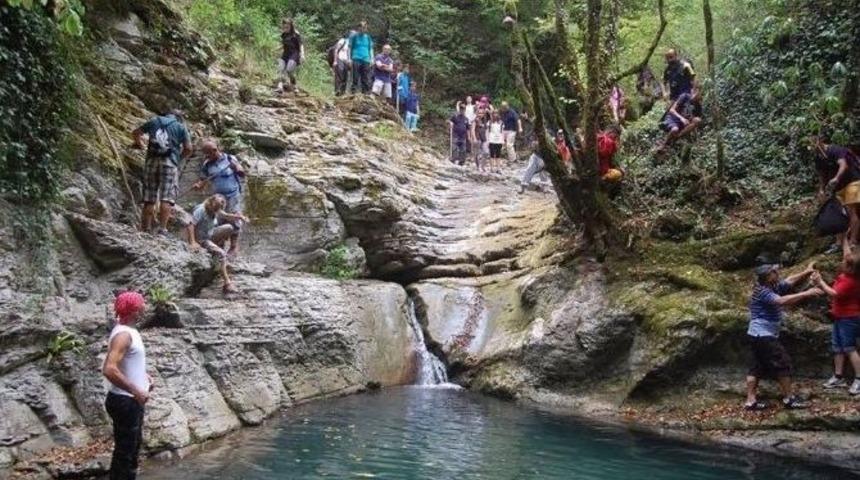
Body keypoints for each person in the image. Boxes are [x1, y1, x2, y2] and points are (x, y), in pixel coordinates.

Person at [744, 261, 821, 411]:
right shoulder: (762, 291)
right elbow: (781, 300)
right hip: (764, 336)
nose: (777, 273)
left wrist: (806, 272)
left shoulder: (771, 286)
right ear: (768, 277)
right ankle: (789, 399)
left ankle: (750, 401)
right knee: (782, 364)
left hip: (756, 334)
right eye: (774, 272)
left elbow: (789, 281)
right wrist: (807, 293)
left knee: (756, 367)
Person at [102, 291, 151, 480]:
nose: (145, 308)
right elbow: (109, 369)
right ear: (133, 310)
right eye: (141, 305)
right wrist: (136, 390)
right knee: (126, 454)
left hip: (131, 400)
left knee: (131, 449)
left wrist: (144, 377)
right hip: (125, 401)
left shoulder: (131, 331)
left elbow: (127, 363)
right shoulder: (123, 335)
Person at [132, 110, 193, 235]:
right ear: (179, 118)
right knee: (166, 197)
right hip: (169, 163)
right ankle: (162, 229)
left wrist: (140, 144)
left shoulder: (154, 121)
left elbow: (136, 133)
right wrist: (178, 159)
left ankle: (146, 228)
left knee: (149, 197)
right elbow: (188, 148)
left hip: (151, 161)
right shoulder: (180, 127)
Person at [813, 249, 860, 395]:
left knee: (849, 348)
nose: (842, 262)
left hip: (849, 318)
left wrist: (820, 282)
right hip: (839, 317)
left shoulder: (851, 281)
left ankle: (859, 378)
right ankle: (838, 376)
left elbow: (835, 293)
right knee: (837, 347)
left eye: (845, 262)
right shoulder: (844, 276)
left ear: (852, 268)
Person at [193, 140, 247, 257]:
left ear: (215, 150)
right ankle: (220, 246)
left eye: (208, 153)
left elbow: (242, 173)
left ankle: (233, 247)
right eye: (205, 154)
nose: (207, 156)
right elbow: (203, 179)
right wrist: (198, 185)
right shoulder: (207, 164)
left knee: (234, 220)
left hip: (233, 195)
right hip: (217, 197)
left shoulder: (230, 159)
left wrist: (236, 167)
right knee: (218, 220)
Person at [186, 195, 249, 294]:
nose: (216, 211)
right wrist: (192, 242)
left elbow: (226, 215)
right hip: (202, 239)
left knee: (229, 228)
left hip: (210, 233)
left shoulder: (216, 209)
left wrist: (240, 217)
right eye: (215, 209)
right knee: (221, 253)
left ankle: (217, 249)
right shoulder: (201, 210)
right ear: (211, 203)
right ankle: (227, 284)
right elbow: (190, 225)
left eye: (218, 209)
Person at [812, 137, 860, 250]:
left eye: (814, 145)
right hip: (838, 187)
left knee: (851, 210)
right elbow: (822, 175)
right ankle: (840, 243)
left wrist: (836, 178)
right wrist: (821, 189)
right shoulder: (818, 158)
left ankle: (853, 241)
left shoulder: (835, 150)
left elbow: (843, 165)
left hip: (852, 181)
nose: (813, 148)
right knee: (838, 214)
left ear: (820, 142)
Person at [277, 18, 304, 93]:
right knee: (280, 68)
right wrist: (276, 49)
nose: (285, 29)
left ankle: (294, 85)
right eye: (284, 27)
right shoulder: (283, 35)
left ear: (291, 26)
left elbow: (301, 45)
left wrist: (302, 54)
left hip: (294, 54)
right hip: (286, 53)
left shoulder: (296, 34)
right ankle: (280, 86)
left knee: (289, 70)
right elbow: (284, 45)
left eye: (287, 27)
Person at [350, 21, 374, 94]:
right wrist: (349, 59)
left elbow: (370, 49)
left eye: (365, 28)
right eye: (362, 27)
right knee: (355, 77)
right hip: (356, 58)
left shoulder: (368, 37)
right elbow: (350, 48)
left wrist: (372, 59)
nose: (363, 29)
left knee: (365, 77)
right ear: (359, 28)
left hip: (366, 59)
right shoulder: (354, 37)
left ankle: (365, 93)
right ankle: (353, 93)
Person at [330, 31, 352, 96]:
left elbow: (349, 53)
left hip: (346, 61)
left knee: (345, 76)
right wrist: (335, 61)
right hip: (340, 59)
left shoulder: (350, 43)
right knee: (339, 75)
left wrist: (349, 61)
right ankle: (337, 91)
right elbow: (336, 50)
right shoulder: (342, 40)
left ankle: (343, 92)